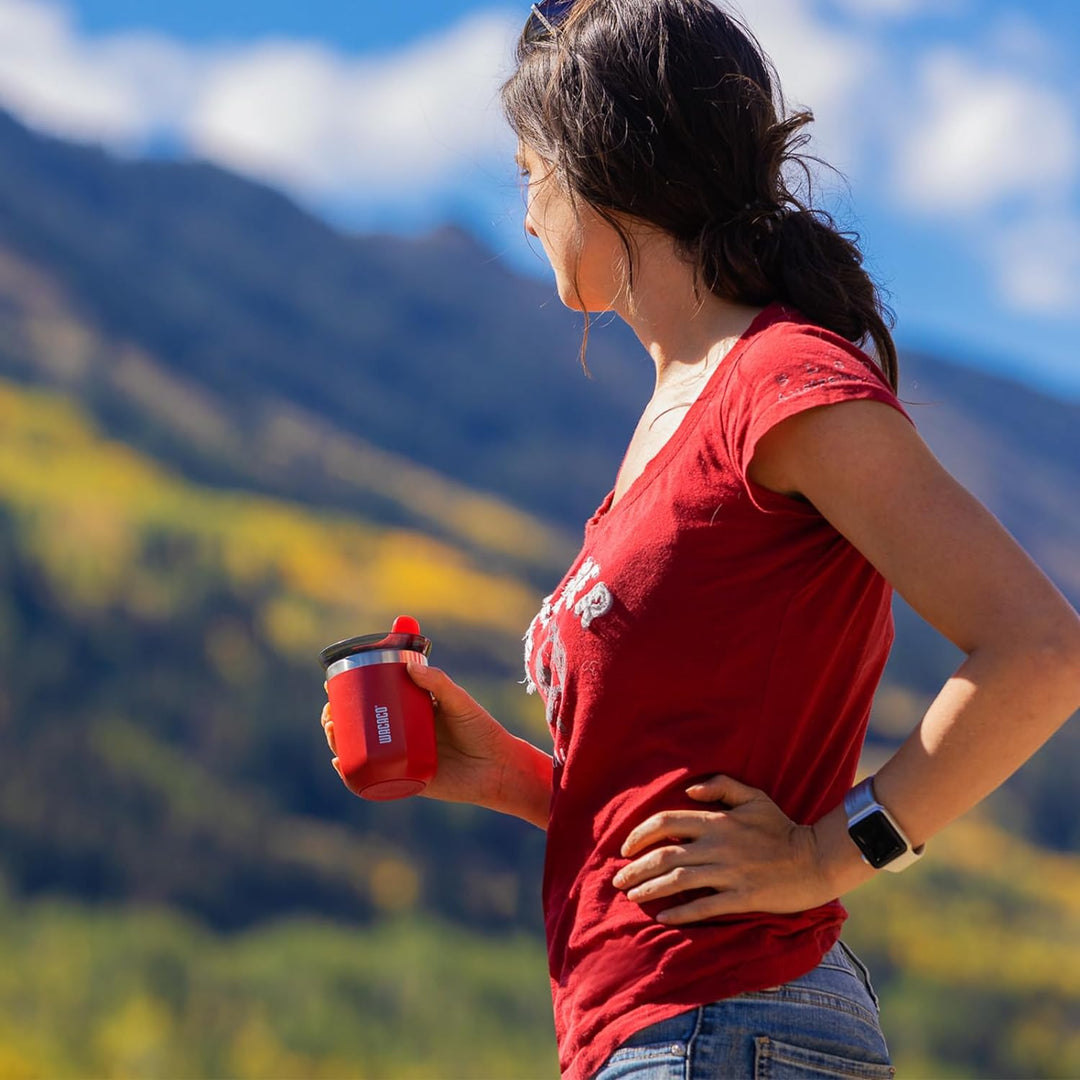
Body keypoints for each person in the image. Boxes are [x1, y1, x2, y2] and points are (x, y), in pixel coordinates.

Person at [321, 1, 1080, 1076]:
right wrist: (511, 779)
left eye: (531, 173)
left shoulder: (779, 382)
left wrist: (831, 852)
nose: (528, 217)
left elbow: (1041, 651)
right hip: (676, 1031)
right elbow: (678, 798)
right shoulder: (674, 418)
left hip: (725, 1023)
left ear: (603, 172)